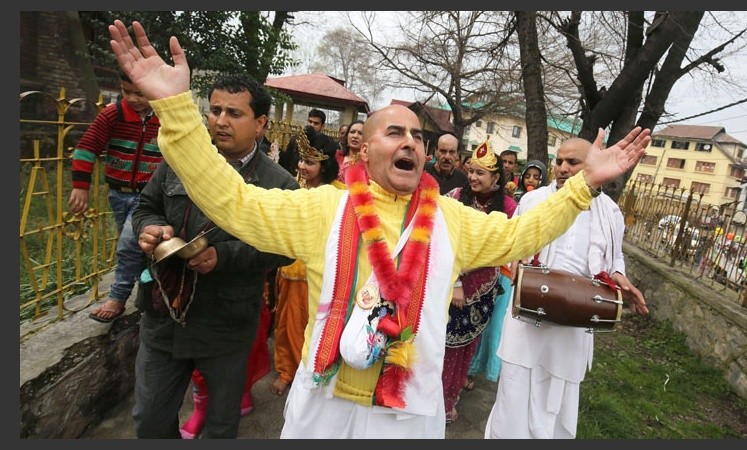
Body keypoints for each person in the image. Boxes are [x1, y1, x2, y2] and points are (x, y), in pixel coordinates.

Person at [108, 19, 650, 438]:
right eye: (395, 132)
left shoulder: (454, 221)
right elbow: (231, 201)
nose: (411, 141)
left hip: (409, 410)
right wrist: (176, 108)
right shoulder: (321, 209)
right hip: (324, 407)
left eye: (417, 134)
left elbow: (519, 238)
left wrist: (584, 187)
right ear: (365, 149)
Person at [130, 72, 298, 438]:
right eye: (215, 110)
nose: (220, 121)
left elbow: (286, 247)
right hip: (165, 318)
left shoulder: (279, 184)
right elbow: (146, 206)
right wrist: (152, 229)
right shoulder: (181, 159)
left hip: (226, 323)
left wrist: (223, 257)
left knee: (221, 427)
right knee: (150, 421)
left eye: (234, 114)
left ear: (260, 123)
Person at [485, 137, 650, 439]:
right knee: (514, 393)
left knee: (556, 403)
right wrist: (515, 263)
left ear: (592, 163)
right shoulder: (533, 201)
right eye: (559, 161)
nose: (562, 168)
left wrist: (619, 277)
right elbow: (514, 245)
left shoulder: (610, 212)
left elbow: (612, 257)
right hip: (528, 319)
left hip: (574, 322)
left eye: (572, 162)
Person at [69, 71, 162, 323]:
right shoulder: (114, 114)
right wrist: (81, 186)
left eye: (140, 93)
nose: (132, 98)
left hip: (149, 197)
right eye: (126, 91)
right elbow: (87, 147)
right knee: (140, 249)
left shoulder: (166, 118)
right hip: (119, 195)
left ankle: (118, 298)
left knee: (128, 245)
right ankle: (149, 294)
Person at [440, 141, 517, 423]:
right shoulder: (454, 196)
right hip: (450, 285)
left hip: (483, 290)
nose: (473, 177)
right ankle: (434, 403)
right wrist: (456, 282)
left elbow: (507, 247)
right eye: (471, 171)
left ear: (496, 178)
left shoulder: (508, 207)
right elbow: (444, 241)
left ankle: (448, 401)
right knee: (443, 347)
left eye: (481, 174)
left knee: (466, 349)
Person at [270, 126, 345, 398]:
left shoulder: (340, 193)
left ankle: (313, 370)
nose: (302, 166)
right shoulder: (293, 186)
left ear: (325, 165)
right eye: (301, 160)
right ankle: (286, 371)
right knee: (286, 325)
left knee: (318, 326)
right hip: (291, 269)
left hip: (325, 273)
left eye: (310, 162)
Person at [279, 108, 336, 176]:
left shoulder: (327, 143)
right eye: (310, 121)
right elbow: (287, 161)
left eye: (316, 123)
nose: (312, 125)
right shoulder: (295, 140)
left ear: (322, 126)